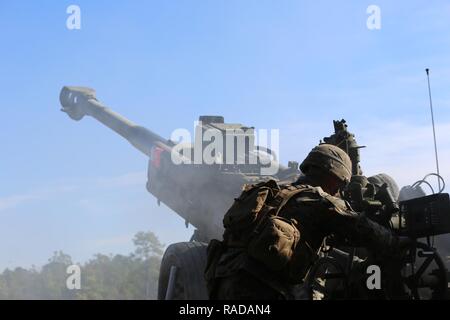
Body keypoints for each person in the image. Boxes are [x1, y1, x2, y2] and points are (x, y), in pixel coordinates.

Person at [205, 144, 405, 300]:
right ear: (335, 178)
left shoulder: (275, 192)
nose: (339, 190)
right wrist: (396, 243)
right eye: (341, 184)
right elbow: (362, 229)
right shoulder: (320, 201)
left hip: (223, 284)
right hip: (262, 290)